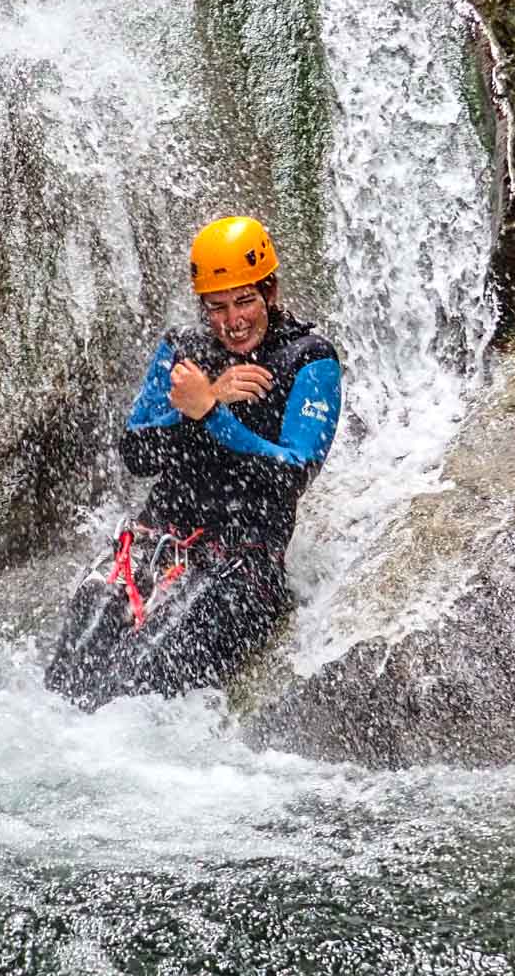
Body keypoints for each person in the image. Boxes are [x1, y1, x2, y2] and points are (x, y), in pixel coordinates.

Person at [44, 216, 343, 710]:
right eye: (218, 307)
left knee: (135, 680)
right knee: (72, 665)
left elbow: (290, 476)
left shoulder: (309, 360)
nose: (234, 320)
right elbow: (136, 453)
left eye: (245, 300)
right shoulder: (182, 351)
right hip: (155, 542)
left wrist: (211, 412)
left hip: (244, 563)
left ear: (270, 291)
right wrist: (199, 407)